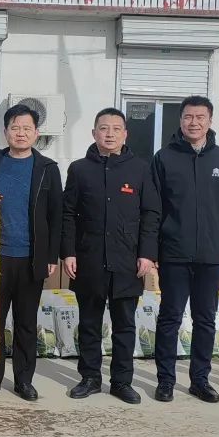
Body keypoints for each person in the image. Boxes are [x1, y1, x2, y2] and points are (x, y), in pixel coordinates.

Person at [61, 108, 160, 405]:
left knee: (125, 325)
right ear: (94, 133)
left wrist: (147, 254)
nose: (110, 134)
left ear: (125, 134)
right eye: (104, 128)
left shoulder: (140, 169)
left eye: (116, 129)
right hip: (89, 258)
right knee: (89, 323)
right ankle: (90, 378)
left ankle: (121, 381)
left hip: (127, 260)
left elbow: (151, 214)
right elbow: (68, 214)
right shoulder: (79, 169)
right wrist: (68, 252)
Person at [151, 95, 219, 404]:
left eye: (200, 117)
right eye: (188, 117)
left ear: (210, 121)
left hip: (212, 255)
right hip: (174, 253)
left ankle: (200, 380)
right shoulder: (164, 158)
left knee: (205, 320)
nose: (194, 122)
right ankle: (165, 380)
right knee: (170, 318)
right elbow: (154, 208)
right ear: (180, 120)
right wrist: (154, 249)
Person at [0, 104, 62, 401]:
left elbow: (56, 215)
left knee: (25, 323)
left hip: (31, 258)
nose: (20, 133)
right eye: (15, 128)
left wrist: (51, 257)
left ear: (36, 133)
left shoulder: (47, 168)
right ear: (5, 131)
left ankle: (24, 380)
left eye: (26, 128)